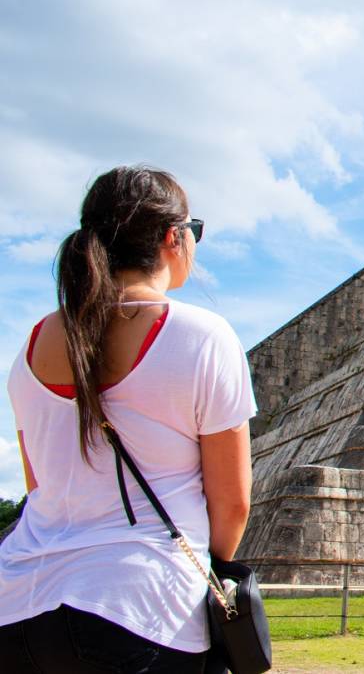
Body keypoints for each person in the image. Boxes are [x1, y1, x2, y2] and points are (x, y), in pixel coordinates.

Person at [0, 166, 256, 672]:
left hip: (19, 608)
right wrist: (208, 568)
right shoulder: (202, 335)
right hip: (138, 609)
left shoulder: (32, 347)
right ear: (171, 237)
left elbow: (40, 489)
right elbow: (232, 504)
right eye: (194, 231)